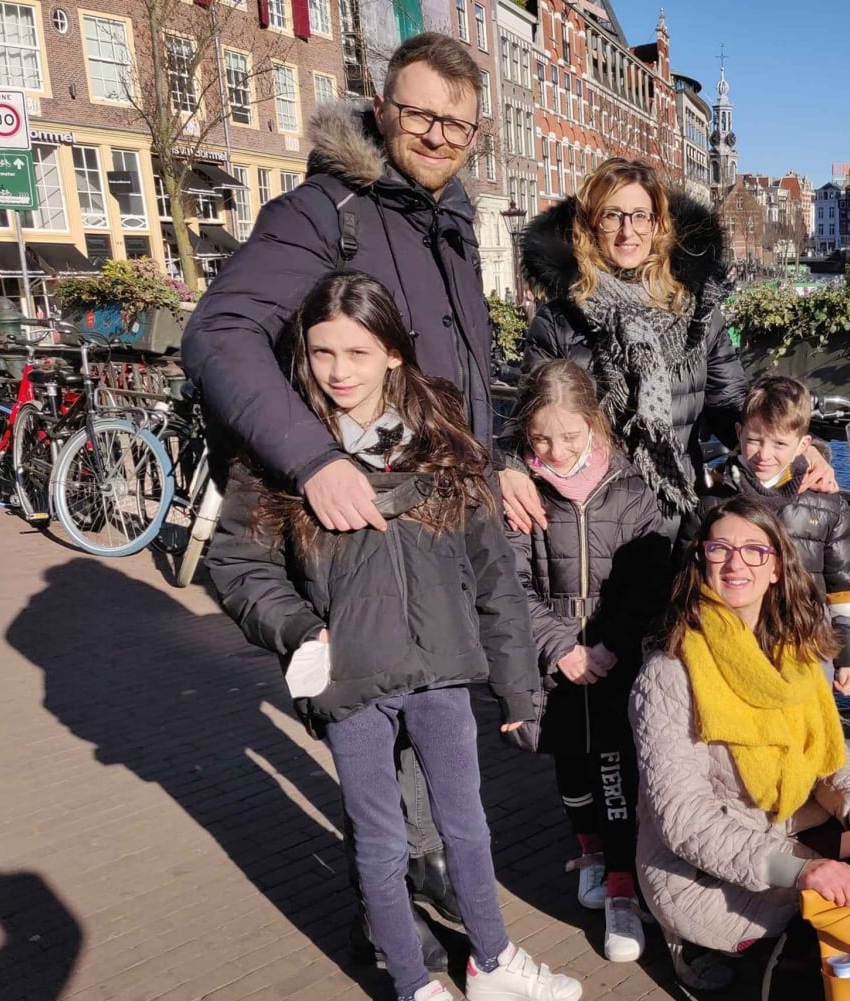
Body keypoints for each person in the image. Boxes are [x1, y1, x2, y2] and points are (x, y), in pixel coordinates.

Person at [182, 32, 498, 961]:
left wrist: (495, 460)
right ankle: (411, 954)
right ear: (381, 107)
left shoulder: (450, 216)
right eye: (420, 113)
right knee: (380, 766)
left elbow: (458, 369)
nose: (437, 134)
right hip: (353, 539)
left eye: (458, 122)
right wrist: (314, 456)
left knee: (429, 753)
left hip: (431, 527)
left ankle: (436, 911)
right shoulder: (327, 210)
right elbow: (220, 333)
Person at [206, 273, 582, 1001]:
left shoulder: (442, 444)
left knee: (466, 828)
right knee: (378, 840)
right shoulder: (281, 453)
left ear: (393, 355)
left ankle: (495, 961)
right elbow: (237, 564)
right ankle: (414, 982)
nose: (339, 371)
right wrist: (303, 629)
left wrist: (516, 684)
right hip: (350, 675)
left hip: (440, 668)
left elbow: (491, 571)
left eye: (358, 351)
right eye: (321, 353)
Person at [631, 498, 850, 990]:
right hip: (703, 864)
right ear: (701, 562)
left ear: (777, 567)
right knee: (826, 910)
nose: (736, 563)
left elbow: (832, 759)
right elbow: (683, 818)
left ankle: (809, 889)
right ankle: (686, 937)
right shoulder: (670, 672)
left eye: (753, 550)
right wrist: (802, 869)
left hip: (780, 818)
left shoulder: (798, 652)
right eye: (720, 549)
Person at [500, 157, 837, 537]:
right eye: (612, 216)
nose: (628, 231)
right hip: (589, 516)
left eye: (640, 216)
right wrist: (509, 466)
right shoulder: (560, 319)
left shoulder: (695, 312)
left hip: (673, 513)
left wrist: (798, 448)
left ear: (658, 224)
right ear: (591, 225)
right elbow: (531, 413)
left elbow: (729, 406)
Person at [506, 359, 670, 965]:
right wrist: (560, 647)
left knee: (614, 770)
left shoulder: (630, 489)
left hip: (612, 660)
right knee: (570, 764)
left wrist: (609, 646)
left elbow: (649, 582)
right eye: (541, 440)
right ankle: (591, 851)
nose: (556, 451)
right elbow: (507, 584)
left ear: (595, 426)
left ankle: (623, 885)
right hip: (555, 662)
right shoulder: (521, 491)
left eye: (570, 437)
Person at [682, 375, 850, 697]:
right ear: (739, 433)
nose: (764, 454)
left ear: (803, 446)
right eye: (754, 440)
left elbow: (846, 585)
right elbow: (686, 578)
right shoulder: (710, 500)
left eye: (780, 444)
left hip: (802, 642)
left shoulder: (827, 505)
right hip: (727, 642)